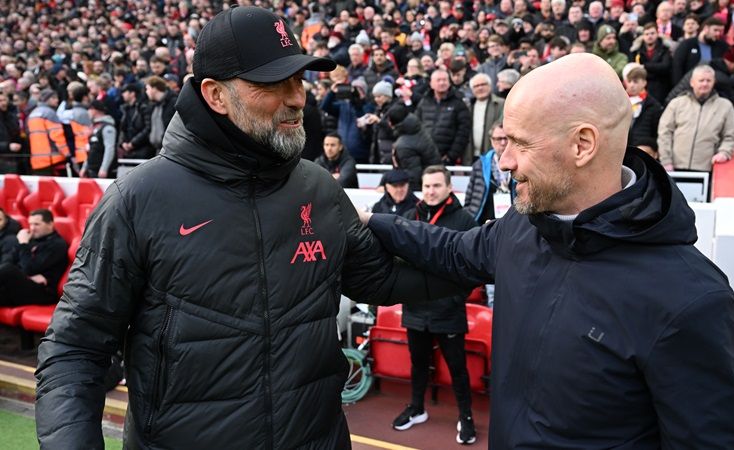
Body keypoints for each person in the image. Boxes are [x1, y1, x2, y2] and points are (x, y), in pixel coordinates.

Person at [35, 8, 462, 450]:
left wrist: (492, 255)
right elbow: (75, 351)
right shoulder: (137, 200)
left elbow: (382, 277)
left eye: (299, 80)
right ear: (216, 95)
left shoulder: (317, 186)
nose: (298, 98)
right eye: (275, 83)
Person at [360, 53, 734, 447]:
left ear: (582, 145)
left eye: (520, 143)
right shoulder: (523, 225)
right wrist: (371, 222)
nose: (504, 162)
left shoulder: (691, 299)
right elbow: (455, 251)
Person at [393, 165, 478, 445]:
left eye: (436, 186)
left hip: (448, 310)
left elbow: (474, 267)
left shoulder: (464, 220)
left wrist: (455, 297)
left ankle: (466, 417)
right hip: (415, 309)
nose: (430, 191)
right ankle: (417, 408)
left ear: (449, 187)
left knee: (457, 367)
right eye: (427, 186)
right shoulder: (410, 216)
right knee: (418, 363)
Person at [657, 64, 734, 172]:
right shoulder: (676, 103)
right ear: (692, 82)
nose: (705, 84)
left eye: (708, 80)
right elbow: (664, 132)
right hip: (674, 168)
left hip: (707, 169)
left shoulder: (725, 106)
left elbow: (730, 136)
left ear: (714, 82)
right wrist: (666, 161)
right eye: (701, 80)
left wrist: (724, 152)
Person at [0, 209, 68, 306]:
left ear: (50, 224)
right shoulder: (31, 239)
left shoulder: (57, 244)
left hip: (43, 292)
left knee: (7, 269)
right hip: (23, 285)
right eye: (30, 224)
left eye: (37, 224)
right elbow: (10, 259)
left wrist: (23, 244)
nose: (32, 228)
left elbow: (29, 269)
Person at [415, 69, 472, 165]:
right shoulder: (424, 102)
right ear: (431, 84)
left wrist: (451, 156)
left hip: (446, 159)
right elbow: (416, 127)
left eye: (445, 80)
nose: (442, 83)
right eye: (438, 80)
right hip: (424, 156)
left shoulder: (458, 103)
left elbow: (463, 132)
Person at [464, 122, 513, 224]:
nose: (503, 143)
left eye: (506, 138)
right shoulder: (480, 164)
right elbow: (468, 198)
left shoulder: (520, 164)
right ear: (491, 141)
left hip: (512, 222)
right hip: (482, 221)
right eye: (499, 139)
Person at [388, 104, 443, 192]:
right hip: (435, 180)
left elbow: (413, 176)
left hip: (424, 190)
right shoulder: (416, 128)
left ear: (391, 123)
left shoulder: (404, 145)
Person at [26, 89, 71, 175]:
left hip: (37, 160)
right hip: (53, 159)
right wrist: (67, 153)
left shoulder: (32, 114)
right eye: (53, 98)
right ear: (47, 99)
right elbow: (57, 136)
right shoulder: (49, 113)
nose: (57, 100)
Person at [465, 73, 504, 165]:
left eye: (483, 84)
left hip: (492, 154)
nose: (480, 88)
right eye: (476, 86)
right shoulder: (468, 105)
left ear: (490, 86)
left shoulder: (501, 104)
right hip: (470, 155)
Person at [118, 83, 155, 160]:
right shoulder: (125, 109)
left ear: (132, 93)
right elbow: (123, 129)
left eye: (125, 92)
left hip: (143, 149)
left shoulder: (144, 107)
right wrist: (123, 142)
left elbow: (148, 128)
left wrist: (133, 143)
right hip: (128, 150)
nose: (122, 95)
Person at [81, 100, 117, 179]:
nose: (88, 112)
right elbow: (91, 150)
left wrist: (104, 168)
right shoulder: (94, 127)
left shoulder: (107, 127)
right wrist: (85, 167)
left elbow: (109, 148)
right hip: (92, 170)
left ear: (94, 110)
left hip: (102, 172)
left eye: (89, 109)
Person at [144, 75, 177, 154]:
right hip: (158, 149)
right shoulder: (154, 105)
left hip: (171, 149)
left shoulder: (173, 102)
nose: (146, 92)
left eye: (147, 89)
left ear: (154, 89)